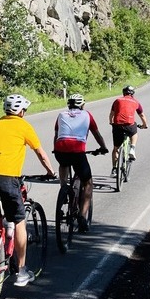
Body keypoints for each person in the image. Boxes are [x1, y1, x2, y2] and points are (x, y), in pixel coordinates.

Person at [0, 93, 56, 287]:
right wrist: (50, 172)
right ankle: (21, 271)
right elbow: (40, 153)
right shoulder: (24, 125)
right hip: (7, 178)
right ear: (21, 111)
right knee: (19, 221)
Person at [53, 93, 108, 233]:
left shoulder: (60, 115)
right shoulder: (87, 115)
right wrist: (103, 147)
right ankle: (82, 216)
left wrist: (56, 149)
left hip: (60, 149)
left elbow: (57, 134)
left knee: (63, 164)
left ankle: (63, 189)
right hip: (77, 152)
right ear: (82, 105)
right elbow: (97, 134)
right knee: (88, 183)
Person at [110, 85, 148, 174]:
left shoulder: (117, 100)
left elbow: (111, 114)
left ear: (123, 93)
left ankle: (114, 169)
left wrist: (111, 122)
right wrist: (144, 125)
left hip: (117, 125)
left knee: (115, 148)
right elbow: (142, 115)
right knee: (134, 133)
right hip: (129, 125)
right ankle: (132, 148)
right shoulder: (136, 102)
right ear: (132, 94)